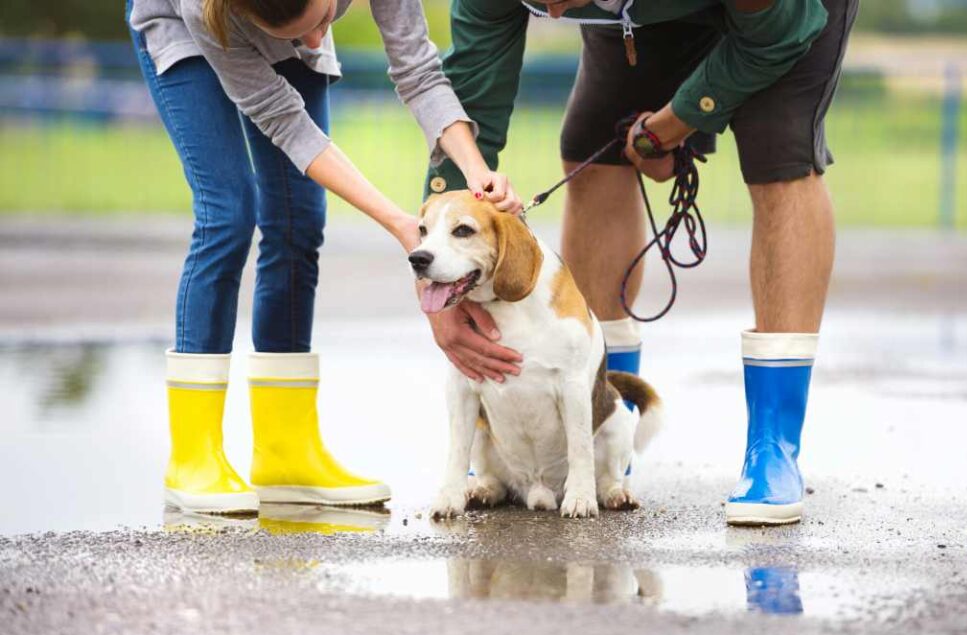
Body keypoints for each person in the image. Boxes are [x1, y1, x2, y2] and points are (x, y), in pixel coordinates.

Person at [424, 0, 859, 525]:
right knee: (593, 144)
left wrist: (679, 122)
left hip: (782, 16)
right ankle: (606, 435)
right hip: (637, 19)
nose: (555, 12)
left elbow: (775, 34)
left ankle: (774, 447)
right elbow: (470, 103)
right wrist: (442, 290)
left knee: (778, 151)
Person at [127, 0, 523, 514]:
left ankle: (285, 452)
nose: (317, 43)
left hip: (257, 18)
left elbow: (419, 71)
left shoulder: (309, 31)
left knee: (297, 222)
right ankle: (194, 457)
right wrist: (403, 226)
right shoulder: (208, 10)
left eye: (325, 19)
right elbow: (288, 125)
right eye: (309, 29)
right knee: (228, 213)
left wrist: (475, 169)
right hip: (186, 29)